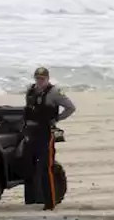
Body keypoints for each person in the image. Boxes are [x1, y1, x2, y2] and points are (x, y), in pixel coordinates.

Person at [22, 66, 75, 211]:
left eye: (42, 79)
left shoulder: (54, 92)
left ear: (47, 78)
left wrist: (56, 119)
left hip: (46, 133)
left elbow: (70, 107)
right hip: (31, 132)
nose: (39, 81)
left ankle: (50, 202)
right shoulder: (30, 90)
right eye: (37, 78)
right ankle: (32, 200)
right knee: (29, 167)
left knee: (46, 168)